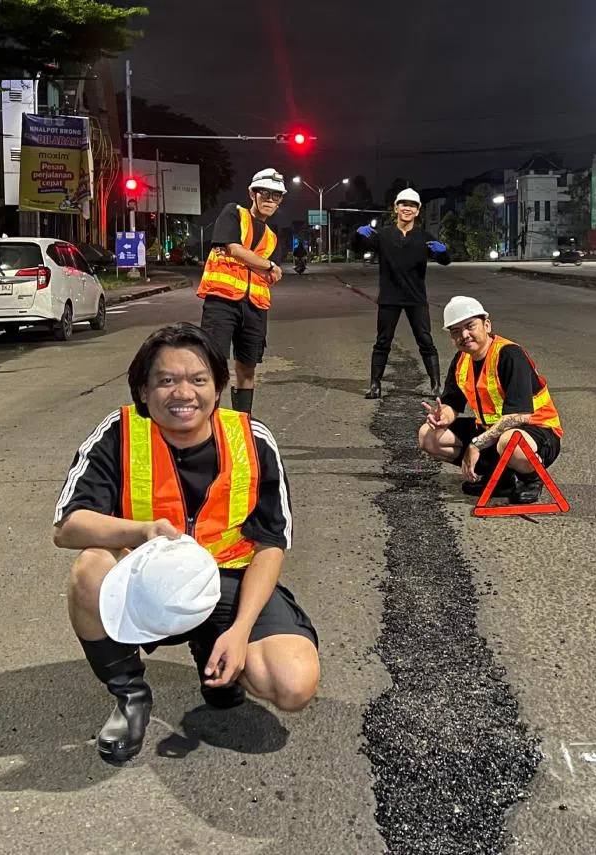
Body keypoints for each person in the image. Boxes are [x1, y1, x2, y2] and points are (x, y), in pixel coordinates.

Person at [53, 322, 319, 765]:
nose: (183, 393)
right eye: (166, 380)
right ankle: (130, 696)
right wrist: (139, 532)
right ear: (143, 390)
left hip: (229, 582)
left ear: (218, 388)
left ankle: (215, 649)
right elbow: (67, 527)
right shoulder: (117, 435)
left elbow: (272, 543)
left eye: (198, 380)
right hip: (147, 584)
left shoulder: (253, 440)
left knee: (292, 684)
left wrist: (238, 632)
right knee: (89, 570)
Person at [417, 296, 563, 504]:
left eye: (470, 326)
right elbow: (452, 403)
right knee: (428, 436)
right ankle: (502, 478)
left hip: (535, 431)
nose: (464, 336)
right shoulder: (462, 360)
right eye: (456, 332)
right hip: (489, 431)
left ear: (486, 325)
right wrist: (443, 416)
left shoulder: (509, 355)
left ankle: (531, 478)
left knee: (511, 442)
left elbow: (518, 416)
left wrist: (476, 444)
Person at [197, 168, 287, 414]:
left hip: (255, 307)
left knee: (247, 369)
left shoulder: (272, 238)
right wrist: (264, 263)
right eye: (265, 193)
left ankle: (242, 425)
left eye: (276, 196)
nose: (270, 199)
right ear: (252, 193)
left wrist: (261, 265)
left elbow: (273, 275)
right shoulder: (233, 213)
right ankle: (206, 426)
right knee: (213, 366)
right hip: (222, 303)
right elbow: (234, 248)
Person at [351, 187, 451, 399]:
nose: (407, 208)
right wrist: (357, 236)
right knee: (382, 342)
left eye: (412, 205)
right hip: (389, 297)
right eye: (403, 204)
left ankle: (436, 386)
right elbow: (359, 247)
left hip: (416, 298)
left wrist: (444, 252)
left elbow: (444, 260)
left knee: (425, 341)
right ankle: (375, 385)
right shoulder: (384, 235)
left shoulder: (423, 237)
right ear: (396, 208)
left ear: (418, 211)